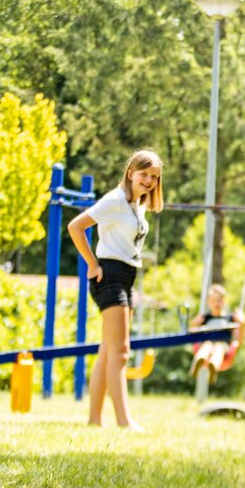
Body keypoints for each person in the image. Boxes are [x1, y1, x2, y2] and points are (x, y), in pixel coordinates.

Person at [67, 149, 164, 429]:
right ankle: (124, 421)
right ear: (130, 172)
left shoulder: (137, 204)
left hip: (126, 276)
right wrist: (92, 264)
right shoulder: (115, 201)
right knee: (120, 351)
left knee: (108, 351)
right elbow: (76, 226)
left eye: (154, 177)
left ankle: (94, 419)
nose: (148, 181)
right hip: (108, 274)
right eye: (144, 174)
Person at [190, 283, 245, 377]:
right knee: (207, 345)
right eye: (213, 301)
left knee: (219, 348)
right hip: (207, 343)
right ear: (208, 302)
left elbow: (238, 340)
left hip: (224, 348)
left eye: (219, 301)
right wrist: (194, 324)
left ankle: (213, 367)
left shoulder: (230, 318)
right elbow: (192, 335)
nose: (216, 303)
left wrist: (242, 324)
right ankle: (198, 362)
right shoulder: (205, 318)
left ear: (224, 301)